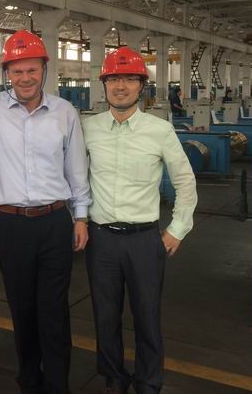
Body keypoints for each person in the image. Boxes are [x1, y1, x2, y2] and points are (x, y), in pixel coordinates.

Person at [0, 30, 91, 394]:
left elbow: (76, 168)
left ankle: (57, 384)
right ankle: (29, 380)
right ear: (6, 73)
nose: (25, 78)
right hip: (10, 225)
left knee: (54, 310)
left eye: (32, 70)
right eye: (17, 71)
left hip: (55, 222)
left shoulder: (64, 112)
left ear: (44, 70)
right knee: (22, 309)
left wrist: (81, 217)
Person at [82, 46, 198, 394]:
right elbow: (72, 177)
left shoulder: (159, 130)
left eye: (129, 79)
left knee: (147, 316)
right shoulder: (88, 128)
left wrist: (177, 229)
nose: (121, 87)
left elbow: (185, 181)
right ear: (104, 85)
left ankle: (148, 382)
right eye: (113, 79)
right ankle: (114, 379)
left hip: (144, 240)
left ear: (141, 86)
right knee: (105, 315)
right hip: (101, 238)